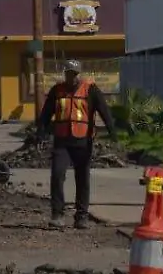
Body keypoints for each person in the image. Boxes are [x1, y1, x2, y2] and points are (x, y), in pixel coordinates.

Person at [35, 59, 115, 229]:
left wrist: (112, 131)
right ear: (65, 74)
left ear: (79, 74)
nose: (72, 77)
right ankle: (57, 214)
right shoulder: (57, 90)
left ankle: (82, 216)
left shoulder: (91, 90)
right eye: (69, 73)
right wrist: (40, 133)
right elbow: (45, 114)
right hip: (62, 141)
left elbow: (104, 110)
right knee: (57, 175)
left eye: (75, 74)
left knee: (82, 179)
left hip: (83, 141)